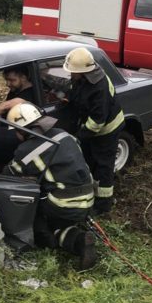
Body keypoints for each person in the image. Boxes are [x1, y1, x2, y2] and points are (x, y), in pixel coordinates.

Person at [3, 102, 97, 270]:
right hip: (89, 197)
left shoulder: (26, 151)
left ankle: (58, 240)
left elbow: (8, 176)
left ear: (22, 131)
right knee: (60, 215)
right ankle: (79, 237)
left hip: (64, 203)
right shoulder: (64, 134)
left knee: (36, 212)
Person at [63, 47, 125, 215]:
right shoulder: (83, 77)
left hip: (107, 130)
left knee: (103, 166)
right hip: (94, 127)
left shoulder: (99, 87)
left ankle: (103, 204)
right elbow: (77, 91)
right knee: (90, 159)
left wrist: (79, 138)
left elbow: (97, 121)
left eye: (73, 72)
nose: (71, 74)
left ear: (83, 71)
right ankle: (90, 191)